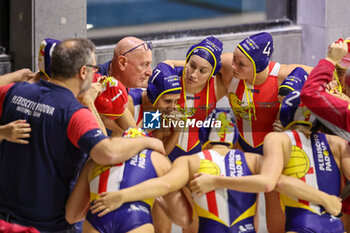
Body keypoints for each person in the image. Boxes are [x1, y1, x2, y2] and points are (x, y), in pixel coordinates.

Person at [0, 38, 165, 232]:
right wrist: (147, 141)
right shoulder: (75, 113)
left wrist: (16, 76)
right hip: (45, 223)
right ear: (83, 72)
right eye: (94, 68)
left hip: (5, 218)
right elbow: (106, 152)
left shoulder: (13, 92)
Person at [89, 109, 343, 233]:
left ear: (203, 139)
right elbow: (276, 191)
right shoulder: (253, 160)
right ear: (233, 141)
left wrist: (122, 195)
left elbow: (165, 186)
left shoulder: (190, 162)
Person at [190, 92, 350, 232]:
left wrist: (214, 181)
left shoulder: (278, 139)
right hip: (335, 224)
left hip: (302, 223)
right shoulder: (338, 143)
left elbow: (270, 182)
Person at [65, 127, 192, 233]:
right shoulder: (158, 159)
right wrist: (154, 192)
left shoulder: (95, 160)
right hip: (136, 216)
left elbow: (72, 215)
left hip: (98, 215)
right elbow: (183, 218)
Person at [164, 36, 228, 162]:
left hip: (198, 155)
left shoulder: (217, 87)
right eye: (192, 65)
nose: (193, 75)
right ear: (186, 61)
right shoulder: (169, 82)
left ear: (211, 74)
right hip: (165, 151)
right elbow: (149, 124)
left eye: (202, 71)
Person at [300, 39, 350, 141]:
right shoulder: (333, 87)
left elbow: (310, 94)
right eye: (337, 72)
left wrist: (330, 61)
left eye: (343, 72)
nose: (340, 80)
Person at [128, 62, 182, 154]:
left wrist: (177, 131)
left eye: (176, 101)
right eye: (167, 101)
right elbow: (117, 148)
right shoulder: (130, 103)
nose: (173, 107)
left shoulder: (163, 114)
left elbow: (161, 156)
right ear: (152, 96)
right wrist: (142, 129)